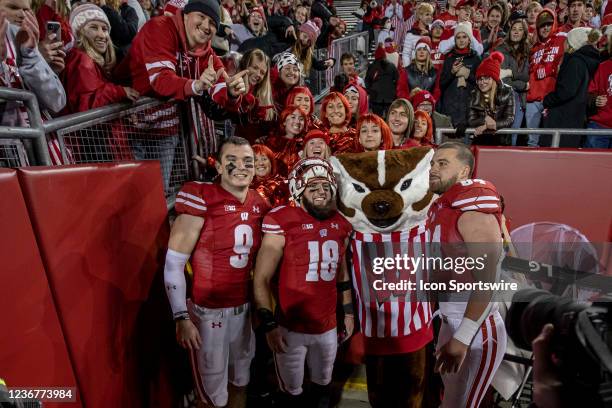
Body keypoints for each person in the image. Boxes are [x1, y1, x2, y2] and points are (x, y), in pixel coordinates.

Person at [164, 137, 270, 408]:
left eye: (248, 162)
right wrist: (181, 317)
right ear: (219, 167)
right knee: (211, 397)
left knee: (240, 382)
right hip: (208, 313)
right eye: (232, 161)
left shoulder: (259, 202)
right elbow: (174, 262)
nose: (241, 167)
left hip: (244, 311)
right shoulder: (201, 197)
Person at [253, 157, 354, 407]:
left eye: (325, 188)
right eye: (313, 188)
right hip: (290, 327)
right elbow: (262, 278)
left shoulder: (341, 223)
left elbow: (341, 273)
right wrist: (269, 323)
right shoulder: (282, 219)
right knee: (292, 392)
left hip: (327, 325)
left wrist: (349, 313)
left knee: (323, 385)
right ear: (299, 191)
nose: (321, 193)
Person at [427, 142, 507, 408]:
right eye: (432, 163)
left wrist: (463, 337)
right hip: (451, 320)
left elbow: (488, 279)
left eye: (442, 163)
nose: (433, 169)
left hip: (475, 329)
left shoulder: (473, 205)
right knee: (449, 401)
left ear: (464, 172)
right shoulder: (443, 205)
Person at [63, 4, 139, 113]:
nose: (102, 35)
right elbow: (86, 107)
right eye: (94, 27)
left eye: (105, 29)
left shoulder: (91, 60)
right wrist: (119, 92)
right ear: (79, 32)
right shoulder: (81, 60)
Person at [543, 27, 602, 146]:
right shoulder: (584, 61)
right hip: (573, 118)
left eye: (566, 40)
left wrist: (548, 100)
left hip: (563, 118)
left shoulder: (575, 61)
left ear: (572, 43)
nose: (563, 43)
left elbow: (567, 91)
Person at [525, 8, 564, 147]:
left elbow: (566, 65)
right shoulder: (533, 48)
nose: (545, 28)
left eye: (548, 24)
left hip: (551, 98)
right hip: (532, 100)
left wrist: (551, 69)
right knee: (532, 141)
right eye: (542, 25)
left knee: (551, 141)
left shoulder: (562, 39)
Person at [439, 22, 482, 127]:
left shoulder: (476, 59)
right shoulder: (449, 59)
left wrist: (468, 75)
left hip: (470, 109)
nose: (461, 40)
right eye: (458, 37)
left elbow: (482, 84)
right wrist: (452, 73)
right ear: (455, 40)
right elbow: (442, 84)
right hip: (450, 109)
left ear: (469, 39)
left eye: (464, 37)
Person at [468, 52, 515, 145]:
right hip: (480, 141)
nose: (482, 82)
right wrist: (485, 119)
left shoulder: (507, 91)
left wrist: (487, 126)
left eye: (486, 78)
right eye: (479, 79)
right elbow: (471, 120)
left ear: (494, 79)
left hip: (501, 141)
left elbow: (509, 119)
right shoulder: (474, 93)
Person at [498, 17, 530, 144]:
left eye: (520, 29)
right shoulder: (501, 50)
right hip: (504, 99)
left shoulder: (527, 53)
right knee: (503, 136)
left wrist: (511, 73)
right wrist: (523, 86)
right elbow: (503, 79)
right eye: (514, 29)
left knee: (514, 137)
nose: (516, 32)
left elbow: (527, 76)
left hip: (520, 99)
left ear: (524, 34)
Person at [584, 34, 612, 148]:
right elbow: (589, 92)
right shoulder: (602, 67)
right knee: (591, 165)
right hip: (599, 125)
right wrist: (595, 99)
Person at [267, 105, 309, 175]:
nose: (297, 121)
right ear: (284, 122)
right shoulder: (272, 143)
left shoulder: (306, 144)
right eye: (293, 117)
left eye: (301, 119)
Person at [365, 43, 398, 118]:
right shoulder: (391, 66)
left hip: (376, 98)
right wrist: (394, 91)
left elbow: (367, 81)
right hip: (390, 98)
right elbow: (397, 80)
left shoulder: (372, 66)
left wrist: (370, 91)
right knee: (390, 118)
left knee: (377, 119)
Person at [401, 2, 434, 67]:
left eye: (431, 15)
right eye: (427, 14)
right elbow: (406, 54)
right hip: (415, 70)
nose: (430, 17)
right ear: (420, 16)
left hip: (429, 70)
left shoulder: (432, 32)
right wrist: (408, 72)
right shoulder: (411, 34)